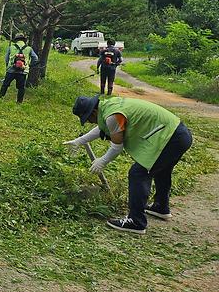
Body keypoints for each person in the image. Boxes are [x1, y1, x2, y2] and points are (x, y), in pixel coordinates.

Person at [65, 96, 193, 235]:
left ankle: (136, 222)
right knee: (161, 170)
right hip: (178, 133)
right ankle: (161, 207)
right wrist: (79, 141)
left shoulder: (112, 116)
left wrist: (102, 161)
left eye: (88, 119)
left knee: (138, 173)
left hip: (171, 138)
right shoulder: (109, 106)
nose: (89, 122)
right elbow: (104, 127)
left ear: (93, 112)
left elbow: (116, 147)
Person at [0, 34, 38, 104]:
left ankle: (0, 98)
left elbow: (6, 59)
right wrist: (29, 65)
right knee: (21, 88)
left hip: (11, 70)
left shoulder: (11, 47)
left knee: (5, 85)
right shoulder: (29, 48)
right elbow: (35, 58)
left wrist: (8, 66)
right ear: (24, 40)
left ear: (16, 40)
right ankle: (19, 102)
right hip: (23, 71)